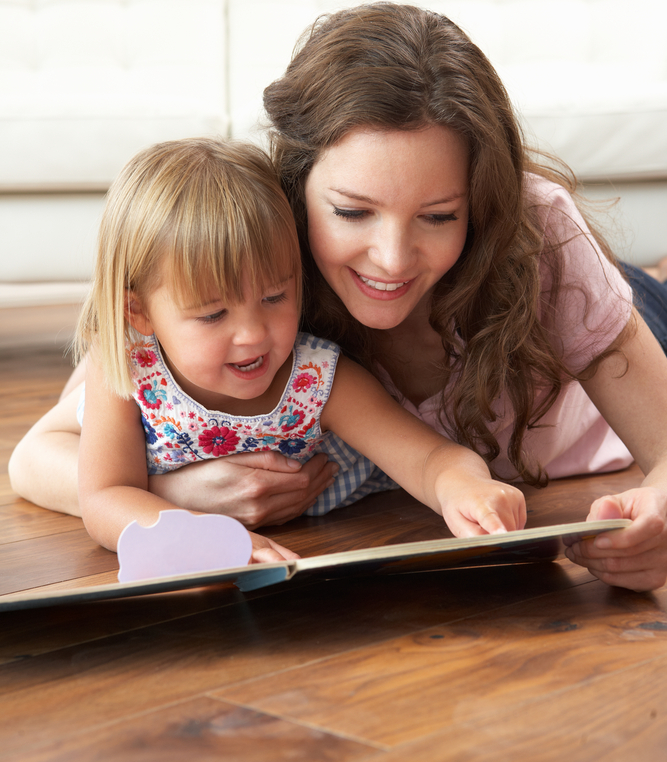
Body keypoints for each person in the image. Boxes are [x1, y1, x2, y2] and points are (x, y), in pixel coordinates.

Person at [10, 3, 667, 590]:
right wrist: (178, 502)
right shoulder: (250, 252)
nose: (390, 259)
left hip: (619, 324)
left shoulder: (535, 232)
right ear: (297, 192)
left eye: (438, 216)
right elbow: (38, 460)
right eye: (352, 212)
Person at [62, 135, 526, 562]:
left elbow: (429, 458)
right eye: (212, 315)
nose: (252, 335)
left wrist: (464, 488)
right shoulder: (124, 367)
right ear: (137, 313)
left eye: (274, 298)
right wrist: (211, 540)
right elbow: (103, 499)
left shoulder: (316, 377)